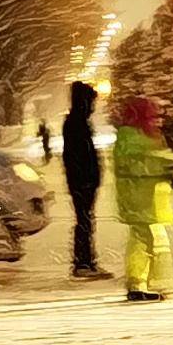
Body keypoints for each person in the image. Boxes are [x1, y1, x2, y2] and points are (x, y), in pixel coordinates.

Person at [109, 94, 173, 299]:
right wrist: (160, 165)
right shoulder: (130, 136)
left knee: (149, 238)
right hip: (138, 196)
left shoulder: (148, 134)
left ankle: (147, 281)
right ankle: (138, 284)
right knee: (142, 239)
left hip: (150, 196)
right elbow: (133, 165)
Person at [60, 81, 105, 279]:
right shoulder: (76, 123)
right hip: (81, 181)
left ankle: (85, 260)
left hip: (82, 180)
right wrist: (86, 177)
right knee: (84, 220)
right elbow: (76, 155)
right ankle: (83, 261)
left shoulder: (77, 122)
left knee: (85, 220)